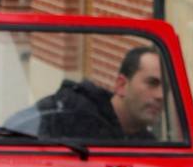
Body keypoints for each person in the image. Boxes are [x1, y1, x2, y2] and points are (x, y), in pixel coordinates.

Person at [33, 45, 165, 140]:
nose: (161, 95)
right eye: (152, 83)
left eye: (166, 88)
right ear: (122, 85)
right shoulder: (71, 113)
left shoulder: (149, 146)